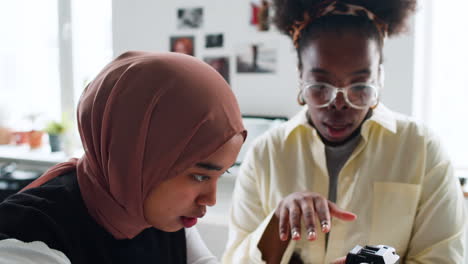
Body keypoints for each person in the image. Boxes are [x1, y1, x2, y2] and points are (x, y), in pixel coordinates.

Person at [223, 1, 466, 263]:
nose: (339, 104)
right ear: (300, 76)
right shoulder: (266, 153)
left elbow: (445, 257)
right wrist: (276, 226)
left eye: (360, 86)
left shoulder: (422, 148)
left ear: (379, 79)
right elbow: (233, 259)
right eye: (320, 85)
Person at [0, 51, 246, 263]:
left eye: (221, 174)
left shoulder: (158, 215)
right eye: (200, 176)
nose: (211, 199)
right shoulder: (25, 241)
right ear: (137, 154)